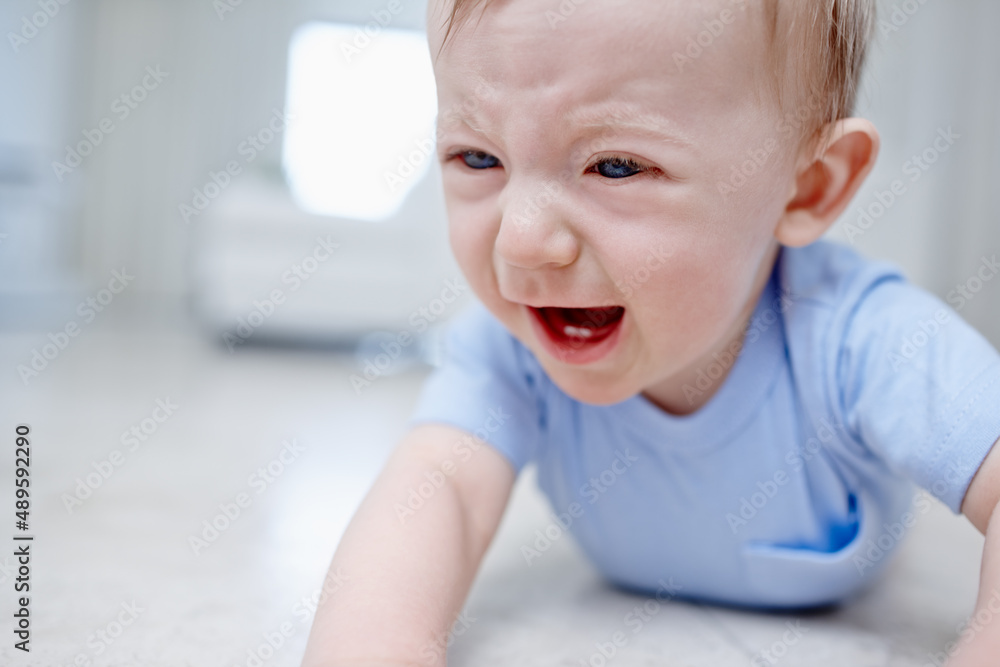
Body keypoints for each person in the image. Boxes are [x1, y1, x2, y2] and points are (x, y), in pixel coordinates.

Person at [302, 1, 1000, 665]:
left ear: (806, 186)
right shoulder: (509, 351)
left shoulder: (864, 338)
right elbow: (438, 489)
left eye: (616, 166)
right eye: (478, 157)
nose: (523, 241)